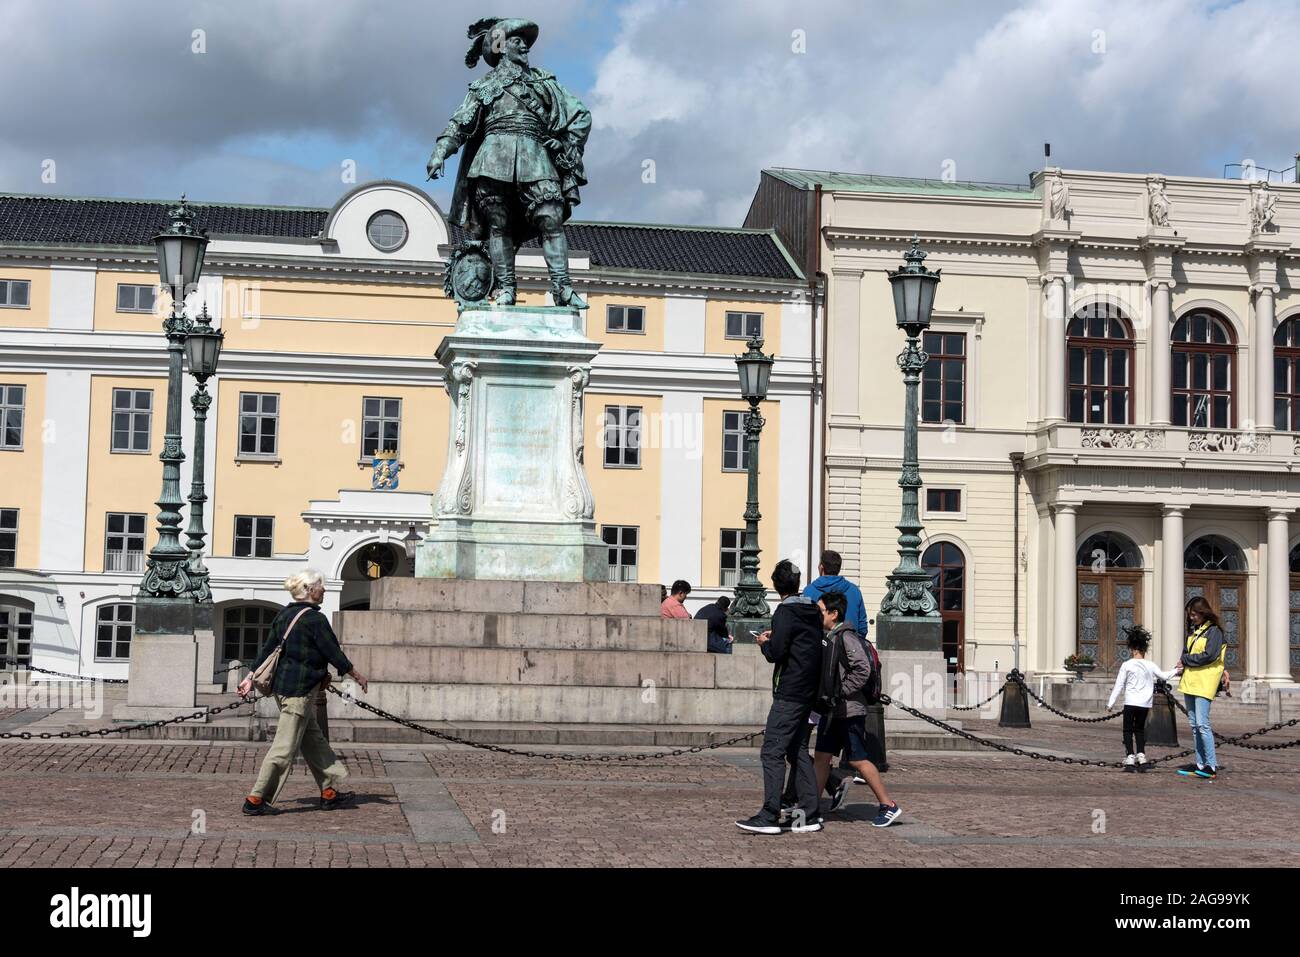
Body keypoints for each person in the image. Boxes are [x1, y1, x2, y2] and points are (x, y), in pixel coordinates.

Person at [238, 570, 369, 815]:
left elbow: (267, 649)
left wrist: (248, 678)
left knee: (313, 740)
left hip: (283, 689)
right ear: (309, 589)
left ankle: (329, 792)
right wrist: (357, 675)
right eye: (320, 585)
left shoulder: (283, 614)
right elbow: (333, 652)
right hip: (300, 691)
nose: (324, 589)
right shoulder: (315, 620)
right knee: (284, 748)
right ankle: (255, 799)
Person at [735, 559, 825, 835]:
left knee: (772, 750)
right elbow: (800, 643)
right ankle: (807, 815)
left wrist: (765, 643)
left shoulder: (785, 612)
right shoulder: (812, 610)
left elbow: (777, 653)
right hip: (809, 690)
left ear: (776, 585)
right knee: (796, 749)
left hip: (790, 690)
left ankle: (770, 815)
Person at [813, 592, 901, 826]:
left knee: (858, 760)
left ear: (833, 614)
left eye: (820, 610)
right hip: (834, 711)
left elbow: (862, 669)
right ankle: (811, 808)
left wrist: (841, 691)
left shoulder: (846, 637)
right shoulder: (830, 636)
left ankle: (888, 805)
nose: (817, 614)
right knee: (821, 758)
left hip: (849, 710)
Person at [1105, 626, 1175, 772]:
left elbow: (1119, 685)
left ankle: (1130, 756)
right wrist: (1178, 670)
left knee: (1128, 729)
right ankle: (1142, 756)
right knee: (1140, 730)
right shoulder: (1150, 665)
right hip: (1144, 704)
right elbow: (1164, 676)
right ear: (1144, 649)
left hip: (1131, 702)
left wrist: (1110, 703)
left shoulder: (1127, 665)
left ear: (1133, 648)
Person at [1175, 596, 1228, 780]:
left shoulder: (1214, 632)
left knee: (1203, 724)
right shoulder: (1195, 631)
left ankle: (1211, 765)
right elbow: (1186, 652)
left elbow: (1209, 656)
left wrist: (1186, 660)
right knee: (1194, 725)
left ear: (1203, 613)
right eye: (1190, 615)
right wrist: (1182, 663)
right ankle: (1199, 763)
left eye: (1194, 614)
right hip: (1191, 681)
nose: (1191, 618)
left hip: (1205, 682)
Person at [803, 550, 869, 637]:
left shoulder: (809, 591)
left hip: (818, 646)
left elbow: (804, 623)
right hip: (849, 646)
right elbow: (862, 627)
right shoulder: (854, 591)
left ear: (821, 567)